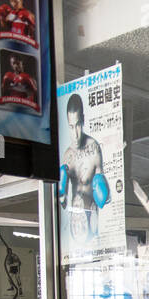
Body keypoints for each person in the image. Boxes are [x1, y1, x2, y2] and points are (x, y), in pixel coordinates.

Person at [60, 93, 105, 247]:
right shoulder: (67, 155)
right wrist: (62, 195)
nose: (75, 133)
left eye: (78, 125)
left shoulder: (94, 148)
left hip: (90, 215)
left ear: (83, 120)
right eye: (71, 127)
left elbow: (101, 188)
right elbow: (62, 198)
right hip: (76, 216)